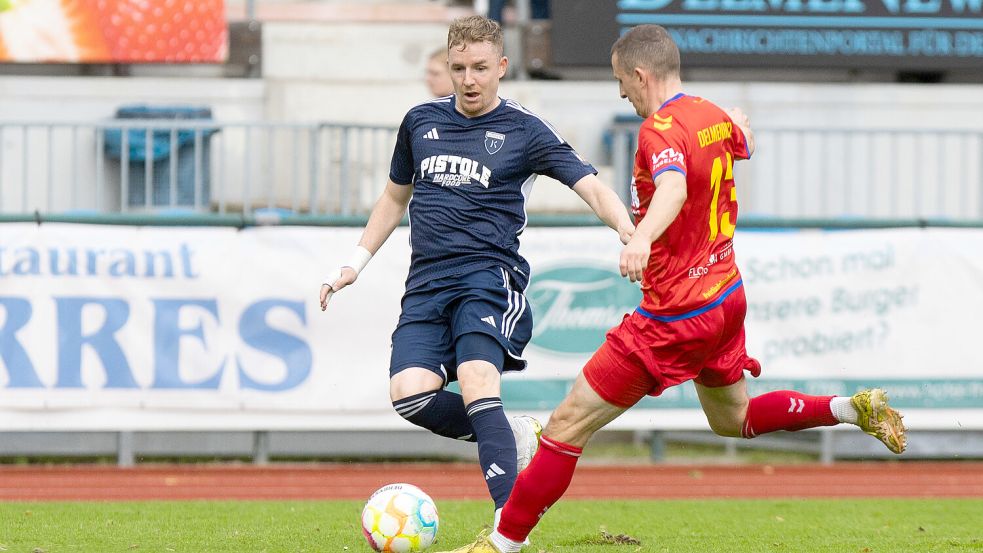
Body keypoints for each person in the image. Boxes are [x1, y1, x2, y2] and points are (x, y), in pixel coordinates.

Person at [437, 24, 907, 553]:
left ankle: (500, 544)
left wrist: (641, 240)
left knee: (566, 426)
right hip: (725, 296)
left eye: (621, 82)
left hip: (675, 314)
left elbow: (674, 186)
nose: (621, 94)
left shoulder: (659, 129)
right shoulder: (711, 113)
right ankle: (852, 408)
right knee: (736, 419)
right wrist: (742, 130)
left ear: (641, 75)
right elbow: (744, 139)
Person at [319, 15, 634, 527]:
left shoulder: (526, 129)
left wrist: (629, 230)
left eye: (480, 68)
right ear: (448, 66)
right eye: (460, 67)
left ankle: (509, 526)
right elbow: (395, 196)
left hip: (488, 278)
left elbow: (590, 185)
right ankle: (511, 434)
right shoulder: (420, 121)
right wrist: (354, 263)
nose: (469, 79)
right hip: (426, 285)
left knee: (476, 378)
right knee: (409, 394)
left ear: (502, 67)